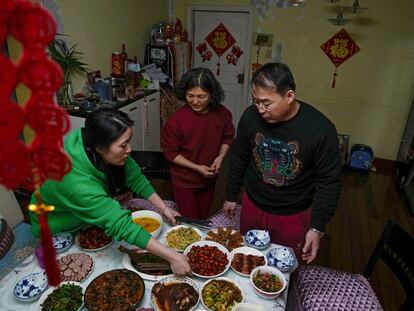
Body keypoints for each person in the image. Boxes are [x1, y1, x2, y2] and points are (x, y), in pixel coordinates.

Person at [29, 108, 191, 276]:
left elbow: (135, 176)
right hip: (59, 227)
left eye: (129, 141)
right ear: (100, 146)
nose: (129, 149)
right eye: (123, 145)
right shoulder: (75, 183)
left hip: (86, 215)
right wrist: (173, 257)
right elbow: (121, 224)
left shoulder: (92, 140)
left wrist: (164, 208)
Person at [223, 62, 342, 263]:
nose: (260, 109)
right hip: (253, 204)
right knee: (247, 260)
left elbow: (330, 181)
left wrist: (317, 228)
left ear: (289, 96)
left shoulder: (320, 129)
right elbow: (239, 156)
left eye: (266, 103)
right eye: (255, 101)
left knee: (283, 269)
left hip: (292, 213)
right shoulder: (250, 117)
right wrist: (230, 195)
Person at [163, 68, 235, 219]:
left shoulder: (223, 114)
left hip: (209, 179)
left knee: (201, 220)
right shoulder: (176, 120)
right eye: (190, 96)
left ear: (212, 95)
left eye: (201, 96)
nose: (195, 101)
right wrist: (197, 168)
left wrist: (220, 157)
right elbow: (170, 153)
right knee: (190, 223)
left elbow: (228, 137)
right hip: (184, 182)